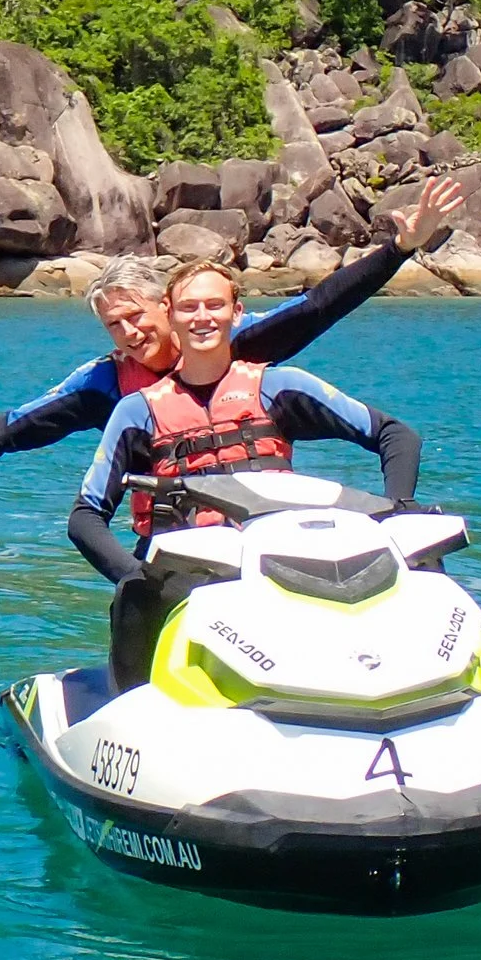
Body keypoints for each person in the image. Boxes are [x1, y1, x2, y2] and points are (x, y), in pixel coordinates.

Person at [0, 174, 466, 491]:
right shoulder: (106, 385)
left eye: (137, 316)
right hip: (174, 540)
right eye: (114, 324)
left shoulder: (234, 343)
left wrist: (398, 250)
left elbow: (320, 306)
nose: (129, 332)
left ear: (168, 306)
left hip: (264, 529)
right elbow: (12, 430)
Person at [70, 258, 423, 687]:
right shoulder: (136, 410)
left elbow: (395, 435)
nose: (202, 318)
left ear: (235, 313)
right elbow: (85, 516)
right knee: (135, 595)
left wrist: (400, 511)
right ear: (170, 312)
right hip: (187, 573)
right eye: (189, 307)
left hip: (281, 559)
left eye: (214, 305)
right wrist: (134, 572)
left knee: (418, 567)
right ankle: (134, 702)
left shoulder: (281, 385)